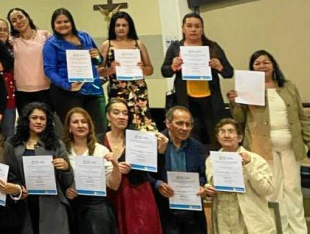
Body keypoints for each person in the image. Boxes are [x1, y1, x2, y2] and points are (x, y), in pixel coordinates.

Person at [227, 50, 310, 234]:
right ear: (252, 68)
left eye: (266, 62)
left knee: (292, 188)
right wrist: (234, 103)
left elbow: (301, 117)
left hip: (290, 145)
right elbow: (240, 118)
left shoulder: (288, 86)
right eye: (257, 63)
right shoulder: (248, 88)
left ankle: (299, 230)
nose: (262, 66)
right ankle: (279, 228)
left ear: (273, 65)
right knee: (273, 190)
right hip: (262, 147)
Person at [161, 12, 233, 144]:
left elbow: (229, 72)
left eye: (197, 26)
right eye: (189, 26)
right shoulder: (176, 47)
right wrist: (173, 66)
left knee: (214, 136)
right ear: (183, 28)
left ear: (202, 28)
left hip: (210, 100)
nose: (193, 29)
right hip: (186, 100)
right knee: (190, 137)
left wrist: (219, 67)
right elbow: (164, 72)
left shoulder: (212, 47)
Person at [99, 99, 165, 234]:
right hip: (107, 194)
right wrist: (115, 168)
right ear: (107, 116)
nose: (121, 117)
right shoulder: (97, 140)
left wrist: (161, 150)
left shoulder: (138, 138)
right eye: (116, 113)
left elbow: (153, 170)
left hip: (136, 193)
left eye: (125, 113)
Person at [9, 102, 72, 234]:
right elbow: (10, 174)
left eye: (42, 119)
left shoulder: (57, 144)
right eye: (34, 118)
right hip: (22, 205)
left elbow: (67, 182)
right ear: (26, 120)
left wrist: (66, 168)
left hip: (52, 206)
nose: (39, 122)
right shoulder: (13, 144)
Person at [205, 118, 275, 234]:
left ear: (240, 137)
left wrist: (248, 166)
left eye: (231, 132)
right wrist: (209, 190)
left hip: (251, 220)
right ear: (217, 137)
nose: (226, 135)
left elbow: (266, 189)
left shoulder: (255, 159)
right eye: (222, 132)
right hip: (224, 219)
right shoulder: (211, 160)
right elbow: (212, 185)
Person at [43, 8, 105, 133]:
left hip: (92, 89)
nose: (63, 25)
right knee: (76, 130)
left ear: (71, 22)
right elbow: (49, 70)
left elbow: (98, 60)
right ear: (53, 25)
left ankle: (97, 153)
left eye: (66, 21)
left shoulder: (85, 37)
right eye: (58, 22)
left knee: (98, 129)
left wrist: (97, 56)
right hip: (67, 92)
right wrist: (68, 86)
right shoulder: (51, 44)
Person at [63, 107, 120, 234]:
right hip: (72, 207)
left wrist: (116, 165)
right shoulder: (63, 151)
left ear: (90, 125)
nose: (80, 125)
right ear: (69, 127)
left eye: (84, 121)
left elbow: (114, 185)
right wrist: (66, 190)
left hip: (97, 207)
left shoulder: (101, 150)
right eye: (75, 122)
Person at [154, 106, 209, 234]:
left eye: (188, 124)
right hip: (164, 209)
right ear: (168, 123)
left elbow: (202, 174)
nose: (184, 128)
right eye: (179, 123)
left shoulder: (197, 147)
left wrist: (202, 185)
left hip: (192, 211)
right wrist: (158, 184)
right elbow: (144, 174)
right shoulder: (155, 142)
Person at [98, 11, 156, 131]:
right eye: (118, 25)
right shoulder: (107, 45)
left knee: (141, 121)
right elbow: (98, 70)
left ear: (130, 27)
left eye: (124, 25)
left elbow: (150, 69)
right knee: (119, 120)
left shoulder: (138, 44)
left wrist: (142, 68)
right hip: (118, 90)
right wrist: (110, 70)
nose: (121, 28)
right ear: (113, 27)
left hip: (138, 91)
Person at [7, 8, 53, 112]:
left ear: (27, 17)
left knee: (46, 123)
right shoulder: (11, 41)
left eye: (20, 17)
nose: (18, 21)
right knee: (25, 125)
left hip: (45, 89)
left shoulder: (45, 35)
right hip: (22, 92)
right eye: (14, 20)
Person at [0, 18, 18, 137]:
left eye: (5, 30)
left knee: (8, 135)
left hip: (9, 100)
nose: (2, 32)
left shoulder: (14, 50)